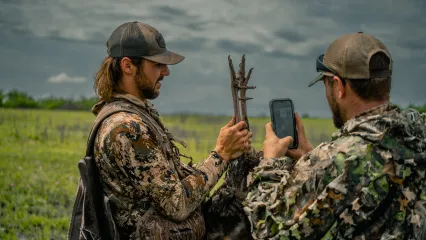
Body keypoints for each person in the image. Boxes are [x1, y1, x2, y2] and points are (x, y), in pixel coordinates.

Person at [244, 32, 426, 239]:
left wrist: (270, 163)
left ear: (339, 87)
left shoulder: (335, 160)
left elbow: (265, 226)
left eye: (326, 84)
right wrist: (310, 158)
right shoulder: (417, 136)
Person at [89, 21, 252, 239]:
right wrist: (221, 154)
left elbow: (166, 182)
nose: (166, 72)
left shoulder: (133, 115)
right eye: (157, 64)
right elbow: (177, 204)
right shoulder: (127, 128)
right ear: (128, 66)